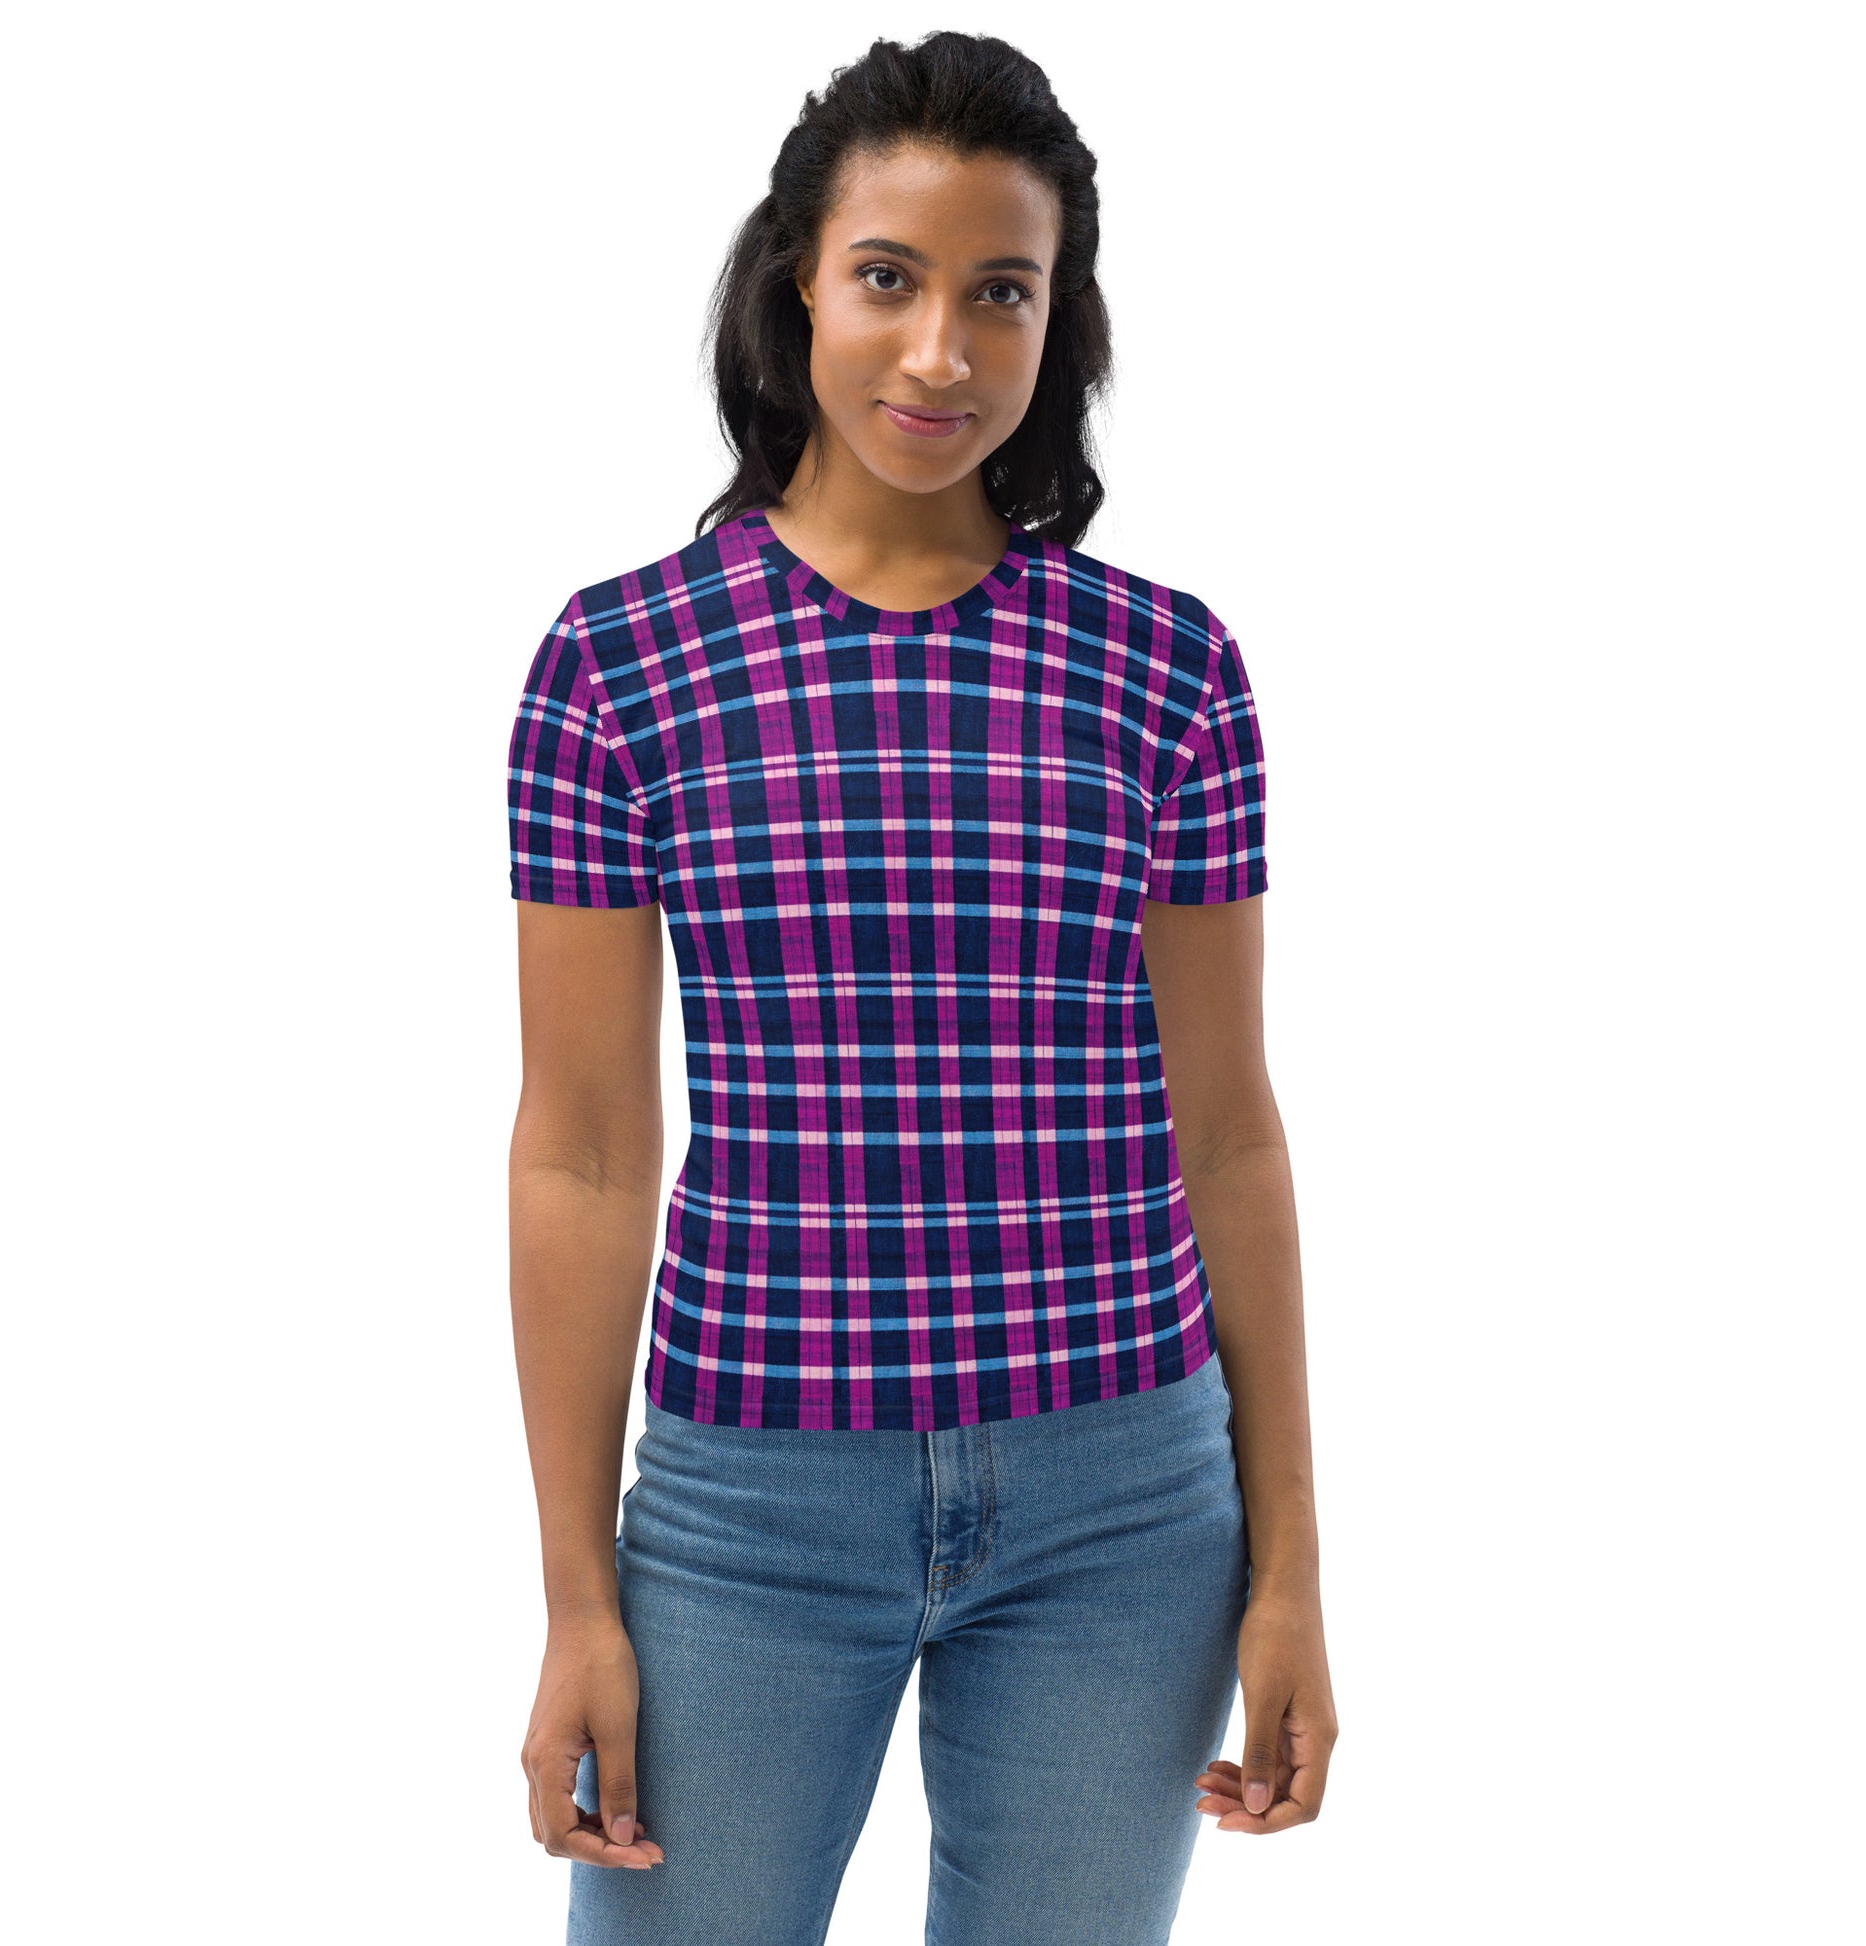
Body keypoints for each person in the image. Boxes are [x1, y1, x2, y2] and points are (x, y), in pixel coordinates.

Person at [505, 30, 1336, 1945]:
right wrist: (574, 1596)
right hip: (746, 1503)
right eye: (887, 276)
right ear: (797, 280)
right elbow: (582, 1151)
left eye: (1000, 292)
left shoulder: (1167, 670)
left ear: (1061, 320)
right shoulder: (619, 666)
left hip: (1126, 1504)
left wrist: (1289, 1557)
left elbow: (1229, 1132)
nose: (941, 351)